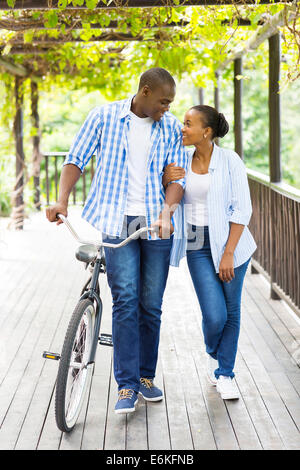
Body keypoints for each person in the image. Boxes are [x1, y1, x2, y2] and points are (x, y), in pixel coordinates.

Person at [46, 68, 188, 414]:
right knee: (125, 300)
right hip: (116, 220)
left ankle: (145, 377)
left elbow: (177, 175)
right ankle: (125, 386)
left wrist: (168, 212)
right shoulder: (104, 116)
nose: (167, 109)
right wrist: (62, 200)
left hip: (156, 222)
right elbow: (75, 159)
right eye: (163, 101)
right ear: (145, 91)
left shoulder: (169, 127)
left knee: (150, 304)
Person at [164, 105, 257, 400]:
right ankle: (213, 353)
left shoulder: (230, 161)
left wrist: (228, 253)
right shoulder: (180, 160)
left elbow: (242, 209)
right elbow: (167, 193)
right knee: (214, 315)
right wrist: (166, 178)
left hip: (232, 243)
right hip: (196, 243)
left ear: (206, 132)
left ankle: (226, 373)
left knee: (231, 312)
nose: (183, 128)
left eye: (189, 124)